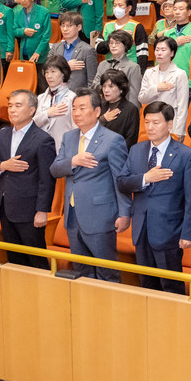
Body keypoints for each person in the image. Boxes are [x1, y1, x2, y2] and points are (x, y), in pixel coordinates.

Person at [118, 100, 191, 294]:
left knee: (170, 286)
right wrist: (146, 178)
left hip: (169, 231)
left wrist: (188, 233)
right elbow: (122, 181)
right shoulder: (137, 150)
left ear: (169, 125)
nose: (150, 127)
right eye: (147, 122)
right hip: (141, 229)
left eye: (156, 122)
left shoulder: (186, 155)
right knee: (146, 284)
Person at [50, 89, 131, 282]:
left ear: (96, 111)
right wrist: (74, 161)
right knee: (81, 271)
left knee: (107, 272)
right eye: (74, 108)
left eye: (82, 108)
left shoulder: (113, 140)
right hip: (72, 215)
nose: (76, 113)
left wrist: (124, 213)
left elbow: (120, 179)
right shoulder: (69, 137)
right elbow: (55, 169)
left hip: (100, 215)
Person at [0, 90, 56, 269]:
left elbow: (46, 180)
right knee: (14, 260)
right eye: (10, 106)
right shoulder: (3, 134)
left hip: (29, 210)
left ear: (32, 111)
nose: (12, 110)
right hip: (6, 206)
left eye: (18, 106)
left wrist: (42, 210)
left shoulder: (43, 139)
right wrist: (3, 165)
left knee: (35, 259)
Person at [139, 36, 189, 139]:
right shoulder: (149, 72)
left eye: (163, 50)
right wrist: (156, 88)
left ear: (172, 53)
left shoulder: (180, 74)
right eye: (157, 50)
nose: (159, 53)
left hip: (171, 124)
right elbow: (142, 98)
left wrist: (179, 131)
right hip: (152, 123)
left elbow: (182, 105)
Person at [35, 55, 77, 152]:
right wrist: (47, 114)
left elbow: (76, 129)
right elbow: (33, 124)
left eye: (53, 72)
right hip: (41, 150)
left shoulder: (72, 98)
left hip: (62, 150)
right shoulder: (41, 98)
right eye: (46, 72)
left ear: (63, 73)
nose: (49, 76)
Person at [48, 11, 98, 91]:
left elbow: (92, 80)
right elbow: (48, 69)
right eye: (62, 26)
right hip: (57, 93)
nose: (64, 29)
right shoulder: (55, 47)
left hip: (78, 95)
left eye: (69, 26)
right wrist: (67, 67)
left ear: (79, 27)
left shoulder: (87, 50)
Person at [92, 30, 143, 109]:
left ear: (125, 45)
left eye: (117, 43)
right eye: (111, 43)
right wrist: (108, 88)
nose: (113, 46)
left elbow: (134, 95)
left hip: (123, 109)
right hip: (104, 108)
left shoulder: (133, 67)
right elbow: (94, 85)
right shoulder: (103, 64)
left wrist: (131, 113)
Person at [97, 0, 148, 69]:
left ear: (129, 8)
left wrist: (140, 73)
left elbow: (143, 53)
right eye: (114, 5)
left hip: (130, 69)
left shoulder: (137, 27)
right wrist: (119, 37)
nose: (116, 8)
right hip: (110, 69)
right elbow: (98, 48)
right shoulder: (107, 26)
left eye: (120, 5)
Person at [163, 0, 191, 89]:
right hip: (168, 82)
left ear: (189, 12)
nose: (177, 12)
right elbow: (160, 56)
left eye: (181, 9)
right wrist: (174, 43)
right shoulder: (167, 34)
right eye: (175, 9)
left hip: (188, 83)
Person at [13, 0, 52, 67]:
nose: (23, 0)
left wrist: (38, 52)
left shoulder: (44, 12)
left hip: (40, 55)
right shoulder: (17, 12)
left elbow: (46, 36)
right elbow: (14, 30)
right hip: (24, 53)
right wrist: (23, 31)